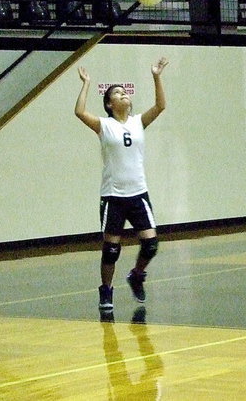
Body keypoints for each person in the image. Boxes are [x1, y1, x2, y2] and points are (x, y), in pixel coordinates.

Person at [75, 58, 169, 309]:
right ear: (109, 103)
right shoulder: (104, 125)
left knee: (150, 244)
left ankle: (137, 275)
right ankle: (106, 290)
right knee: (111, 250)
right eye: (117, 93)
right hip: (113, 196)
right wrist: (86, 84)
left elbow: (160, 106)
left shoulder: (138, 122)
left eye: (125, 92)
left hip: (138, 194)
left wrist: (156, 76)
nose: (123, 94)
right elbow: (79, 112)